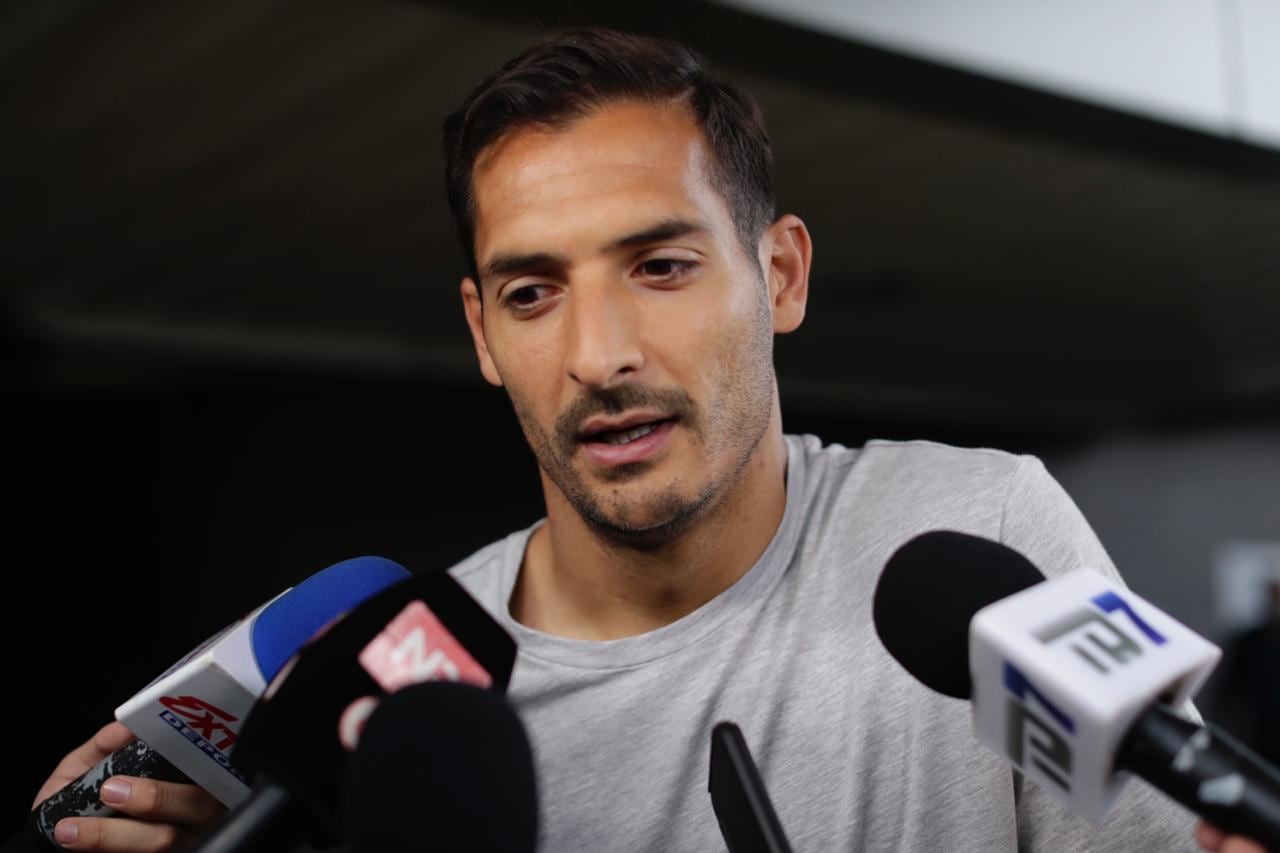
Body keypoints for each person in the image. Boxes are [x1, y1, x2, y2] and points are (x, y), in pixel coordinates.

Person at [31, 26, 1266, 853]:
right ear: (478, 331)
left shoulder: (983, 530)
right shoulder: (399, 695)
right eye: (531, 292)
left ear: (778, 274)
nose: (597, 354)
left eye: (660, 266)